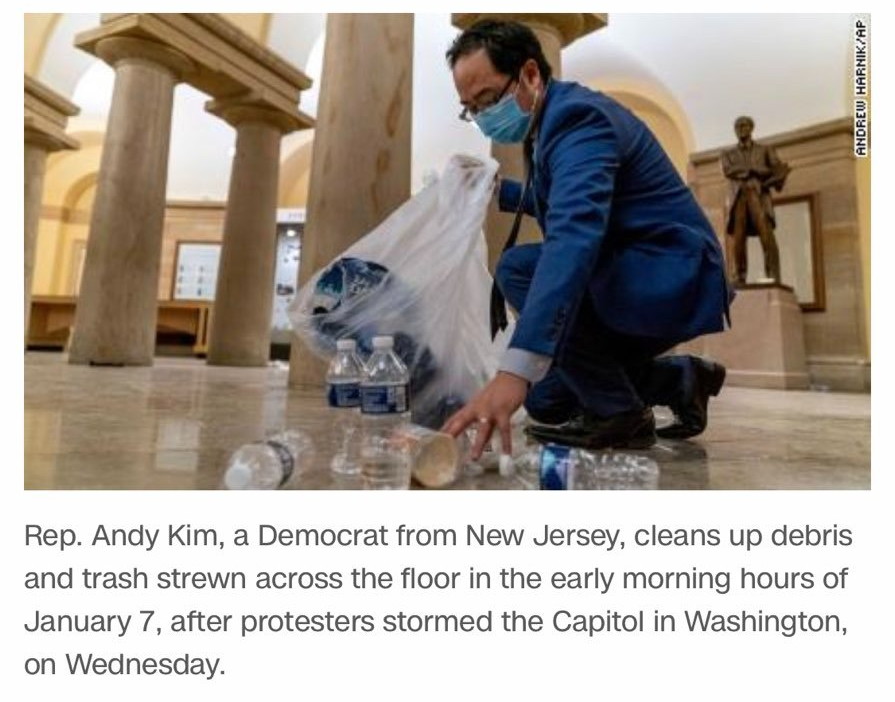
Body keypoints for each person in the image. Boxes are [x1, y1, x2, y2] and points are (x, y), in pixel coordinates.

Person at [440, 20, 730, 458]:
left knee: (518, 267)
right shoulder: (547, 124)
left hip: (668, 274)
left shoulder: (577, 119)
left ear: (531, 75)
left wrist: (513, 371)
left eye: (488, 100)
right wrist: (496, 190)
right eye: (470, 109)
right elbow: (563, 200)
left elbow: (574, 235)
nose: (482, 118)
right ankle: (679, 380)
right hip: (636, 272)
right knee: (547, 400)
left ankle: (624, 417)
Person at [722, 115, 791, 285]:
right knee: (738, 239)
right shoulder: (728, 153)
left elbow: (776, 169)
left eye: (744, 125)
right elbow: (729, 170)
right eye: (737, 126)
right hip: (739, 197)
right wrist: (755, 170)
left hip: (758, 195)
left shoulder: (765, 150)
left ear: (751, 128)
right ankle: (740, 276)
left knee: (766, 235)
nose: (741, 129)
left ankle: (773, 275)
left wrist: (754, 171)